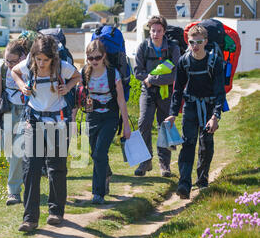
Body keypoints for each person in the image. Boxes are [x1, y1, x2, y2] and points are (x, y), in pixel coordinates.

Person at [11, 35, 81, 232]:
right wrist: (21, 85)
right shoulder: (29, 65)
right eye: (38, 59)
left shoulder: (62, 67)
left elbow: (78, 76)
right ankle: (30, 218)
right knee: (31, 169)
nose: (41, 64)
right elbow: (14, 72)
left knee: (55, 168)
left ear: (53, 59)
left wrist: (67, 87)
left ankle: (56, 212)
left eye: (45, 60)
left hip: (57, 121)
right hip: (33, 119)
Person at [164, 25, 225, 199]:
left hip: (208, 107)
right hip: (190, 106)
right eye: (192, 42)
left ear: (205, 41)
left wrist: (215, 116)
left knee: (206, 144)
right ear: (188, 42)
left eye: (199, 42)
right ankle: (184, 184)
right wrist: (173, 113)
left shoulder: (215, 62)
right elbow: (177, 90)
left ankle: (202, 179)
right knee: (188, 144)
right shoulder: (184, 61)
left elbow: (220, 92)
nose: (195, 45)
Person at [80, 40, 132, 204]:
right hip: (92, 116)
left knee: (99, 153)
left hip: (110, 116)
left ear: (104, 56)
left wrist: (126, 125)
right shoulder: (85, 72)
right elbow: (80, 95)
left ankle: (98, 193)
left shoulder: (112, 73)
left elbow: (121, 100)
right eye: (91, 58)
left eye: (98, 57)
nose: (94, 61)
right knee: (95, 153)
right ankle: (106, 173)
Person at [134, 15, 180, 177]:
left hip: (166, 92)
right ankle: (145, 161)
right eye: (153, 30)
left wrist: (152, 79)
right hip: (147, 92)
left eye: (159, 31)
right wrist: (147, 80)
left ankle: (164, 165)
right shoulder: (143, 47)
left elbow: (176, 74)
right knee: (143, 123)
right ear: (150, 31)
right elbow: (137, 72)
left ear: (164, 32)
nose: (155, 34)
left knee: (164, 126)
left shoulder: (173, 48)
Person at [0, 40, 28, 206]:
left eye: (13, 61)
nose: (9, 65)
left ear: (22, 57)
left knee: (17, 151)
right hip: (8, 112)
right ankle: (23, 174)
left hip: (25, 111)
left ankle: (13, 192)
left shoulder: (28, 69)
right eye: (7, 61)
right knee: (8, 150)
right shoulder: (1, 69)